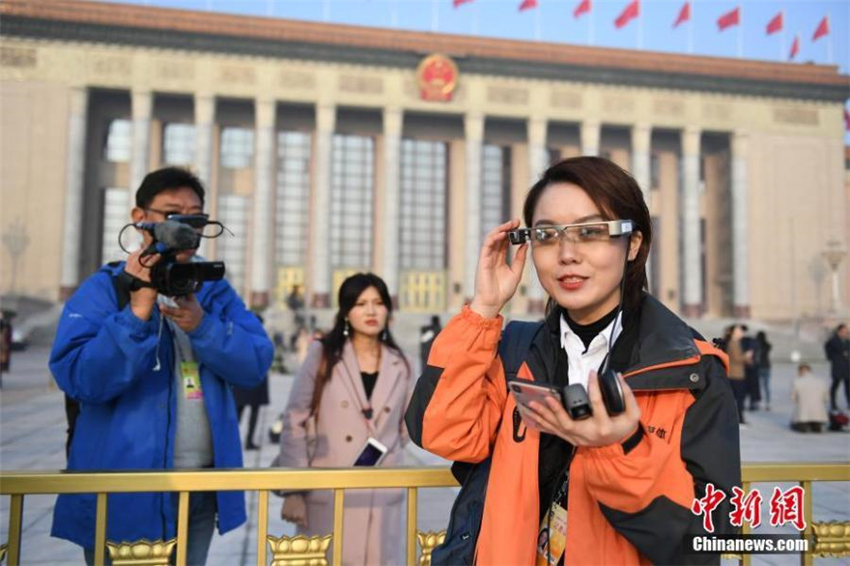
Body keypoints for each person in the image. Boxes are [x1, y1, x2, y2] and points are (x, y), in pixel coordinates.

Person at [406, 157, 741, 565]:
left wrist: (621, 447)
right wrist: (483, 311)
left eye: (590, 231)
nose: (567, 254)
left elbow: (709, 539)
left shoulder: (690, 372)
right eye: (547, 235)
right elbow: (443, 434)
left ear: (633, 243)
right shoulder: (514, 352)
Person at [49, 167, 274, 565]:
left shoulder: (213, 290)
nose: (186, 227)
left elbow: (255, 363)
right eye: (173, 214)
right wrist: (136, 313)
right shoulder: (106, 289)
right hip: (123, 489)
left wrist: (204, 326)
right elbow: (81, 379)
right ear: (140, 218)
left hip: (199, 488)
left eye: (196, 217)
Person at [277, 273, 413, 566]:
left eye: (378, 302)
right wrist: (293, 489)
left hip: (381, 493)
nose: (371, 311)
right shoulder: (323, 354)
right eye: (361, 304)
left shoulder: (401, 363)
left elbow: (405, 427)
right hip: (329, 489)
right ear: (346, 312)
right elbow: (295, 419)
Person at [233, 314, 272, 450]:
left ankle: (236, 441)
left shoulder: (240, 337)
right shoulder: (261, 338)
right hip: (254, 379)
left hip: (244, 379)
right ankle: (248, 441)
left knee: (240, 412)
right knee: (249, 413)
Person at [791, 364, 829, 433]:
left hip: (803, 415)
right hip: (819, 415)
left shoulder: (797, 381)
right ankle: (816, 425)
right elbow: (826, 398)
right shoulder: (821, 381)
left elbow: (793, 398)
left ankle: (804, 426)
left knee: (798, 422)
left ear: (800, 372)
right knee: (816, 422)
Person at [725, 324, 750, 426]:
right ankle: (739, 420)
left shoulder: (737, 342)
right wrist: (746, 356)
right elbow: (737, 358)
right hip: (735, 375)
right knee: (738, 398)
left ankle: (739, 419)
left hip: (738, 374)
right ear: (734, 333)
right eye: (739, 331)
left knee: (739, 398)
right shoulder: (733, 343)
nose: (741, 333)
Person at [825, 323, 850, 411]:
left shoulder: (847, 342)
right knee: (835, 386)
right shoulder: (832, 341)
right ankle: (833, 404)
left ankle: (849, 403)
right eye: (843, 331)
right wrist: (835, 357)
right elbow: (828, 352)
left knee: (848, 387)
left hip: (847, 367)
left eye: (846, 331)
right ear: (838, 332)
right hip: (837, 367)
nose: (845, 333)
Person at [755, 331, 772, 411]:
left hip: (759, 366)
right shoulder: (767, 345)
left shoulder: (756, 345)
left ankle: (758, 402)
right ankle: (767, 403)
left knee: (759, 386)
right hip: (766, 366)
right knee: (766, 386)